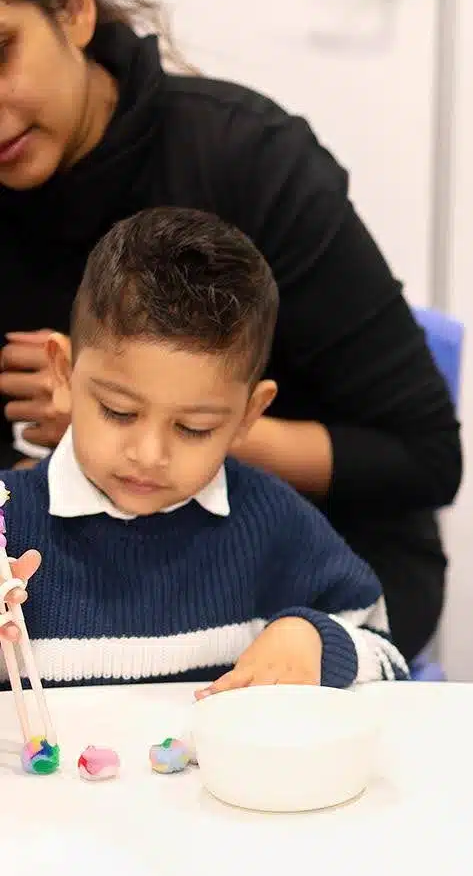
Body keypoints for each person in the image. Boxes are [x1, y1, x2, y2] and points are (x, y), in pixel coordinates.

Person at [0, 0, 460, 660]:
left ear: (72, 6)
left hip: (295, 575)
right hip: (51, 586)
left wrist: (139, 421)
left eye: (1, 53)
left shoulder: (249, 159)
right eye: (116, 406)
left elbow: (422, 457)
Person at [0, 207, 409, 694]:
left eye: (194, 428)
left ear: (247, 416)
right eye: (118, 411)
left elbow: (387, 657)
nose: (149, 454)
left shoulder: (271, 522)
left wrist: (315, 642)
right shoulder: (9, 518)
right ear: (64, 374)